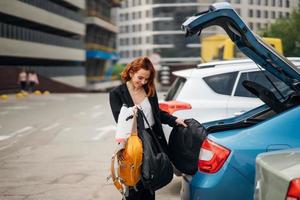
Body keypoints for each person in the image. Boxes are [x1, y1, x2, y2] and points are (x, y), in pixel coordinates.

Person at [109, 56, 187, 200]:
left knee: (150, 184)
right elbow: (120, 122)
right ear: (131, 72)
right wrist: (132, 113)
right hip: (133, 143)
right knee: (134, 185)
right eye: (140, 78)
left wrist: (175, 120)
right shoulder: (117, 93)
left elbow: (157, 114)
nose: (143, 82)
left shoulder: (149, 90)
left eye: (146, 79)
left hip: (153, 141)